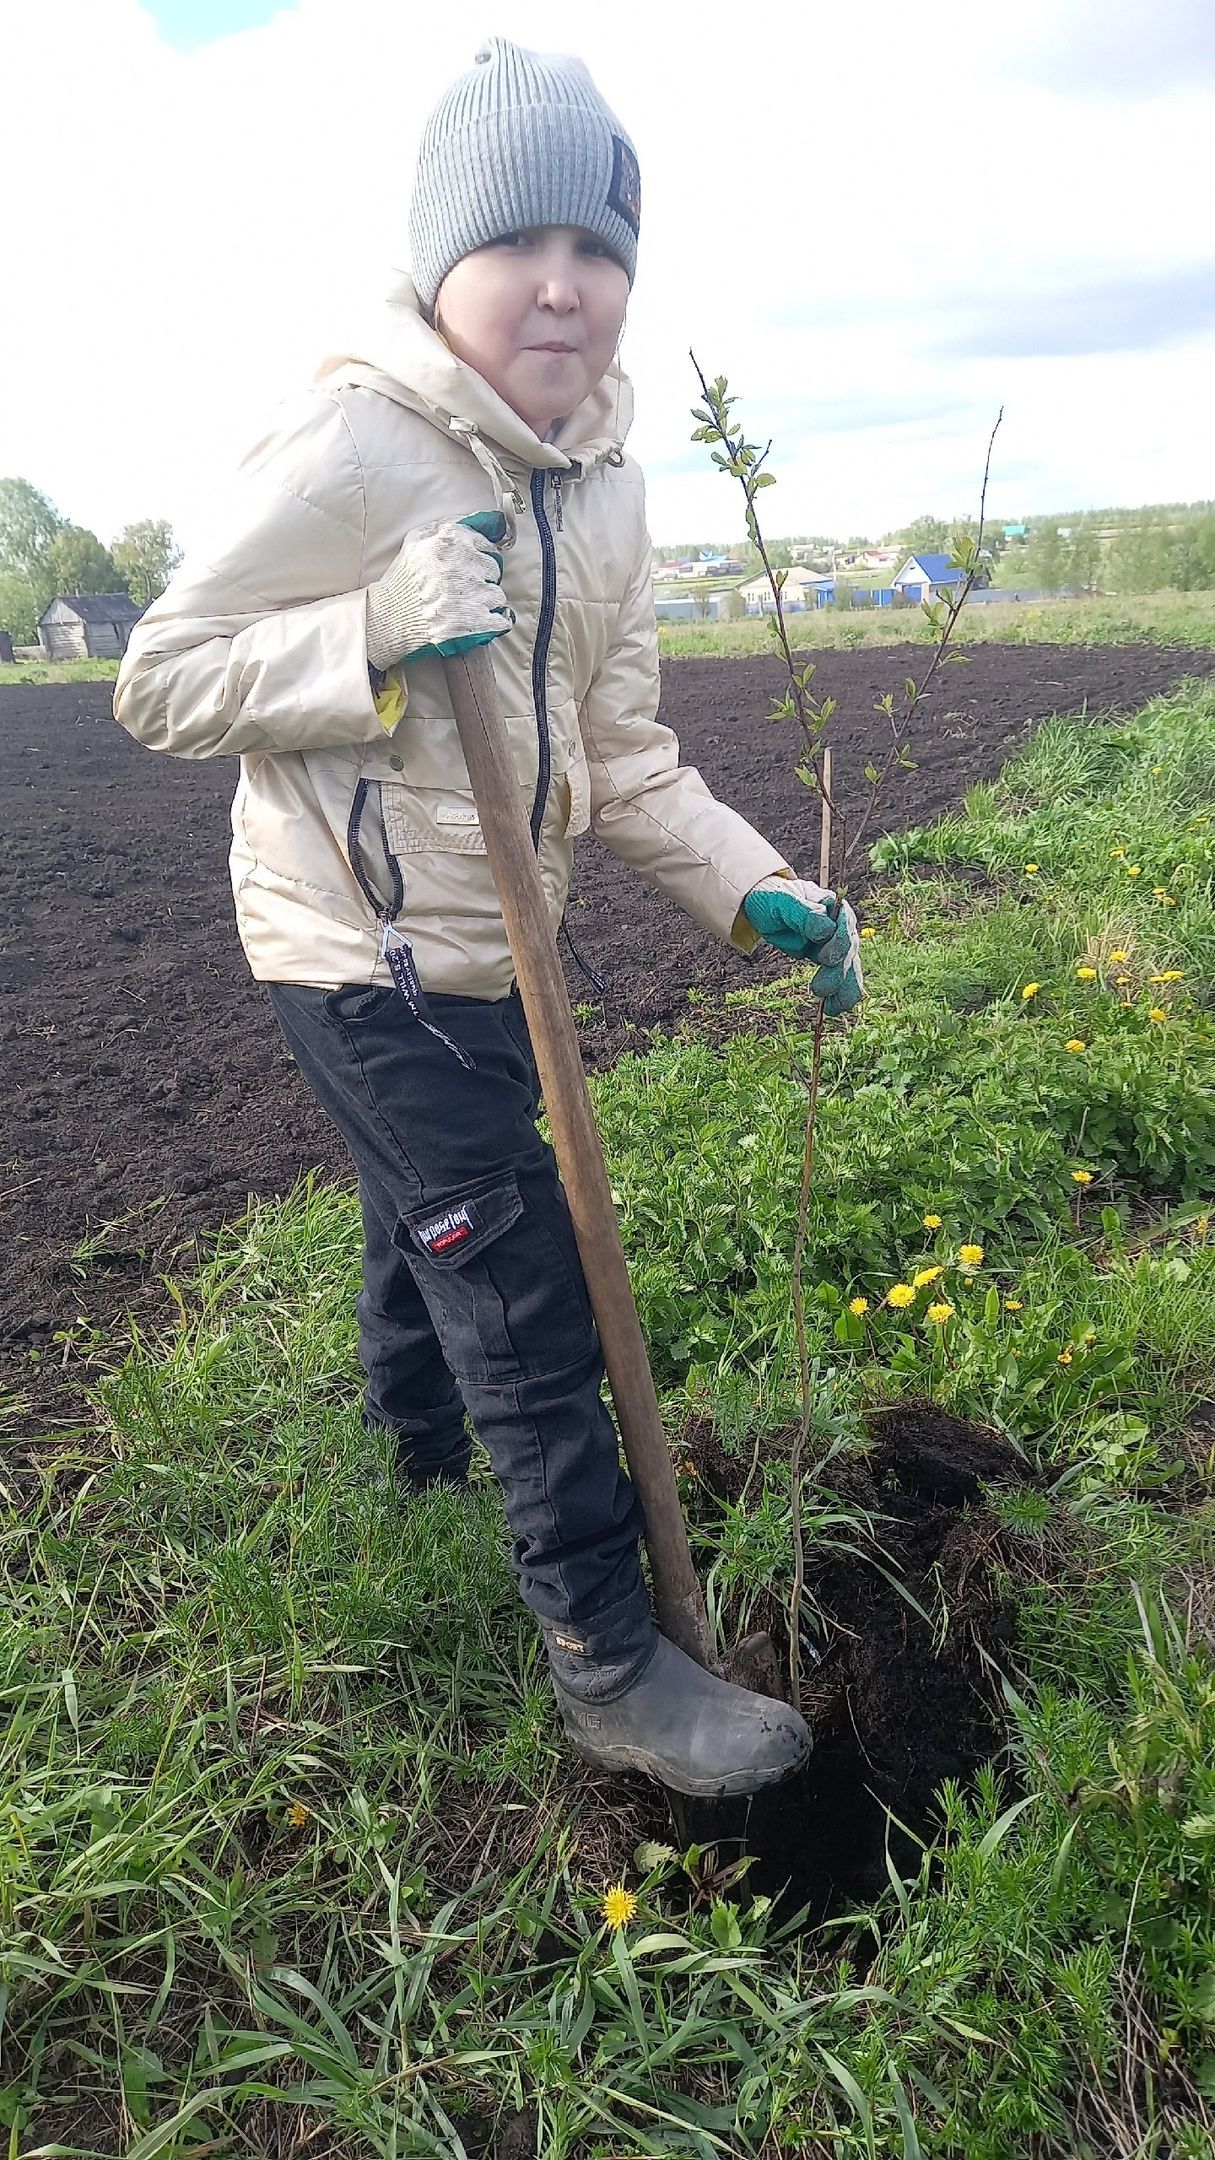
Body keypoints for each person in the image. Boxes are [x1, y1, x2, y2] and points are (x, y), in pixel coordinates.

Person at [114, 38, 862, 1798]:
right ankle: (608, 1656)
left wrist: (757, 887)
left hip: (485, 950)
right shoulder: (351, 441)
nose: (562, 282)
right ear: (438, 261)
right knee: (513, 1269)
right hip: (347, 946)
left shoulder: (604, 481)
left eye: (599, 249)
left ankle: (408, 1436)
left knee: (431, 1204)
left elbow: (628, 751)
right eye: (517, 240)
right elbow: (158, 680)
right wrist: (369, 632)